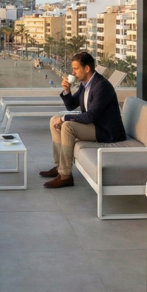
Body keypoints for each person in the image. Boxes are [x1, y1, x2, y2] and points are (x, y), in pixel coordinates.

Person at [42, 52, 126, 189]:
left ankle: (65, 176)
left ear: (86, 68)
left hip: (106, 131)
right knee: (54, 120)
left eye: (75, 69)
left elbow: (90, 116)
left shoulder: (101, 86)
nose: (73, 73)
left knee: (67, 125)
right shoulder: (85, 84)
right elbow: (71, 106)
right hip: (93, 125)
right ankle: (59, 166)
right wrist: (67, 90)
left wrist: (63, 118)